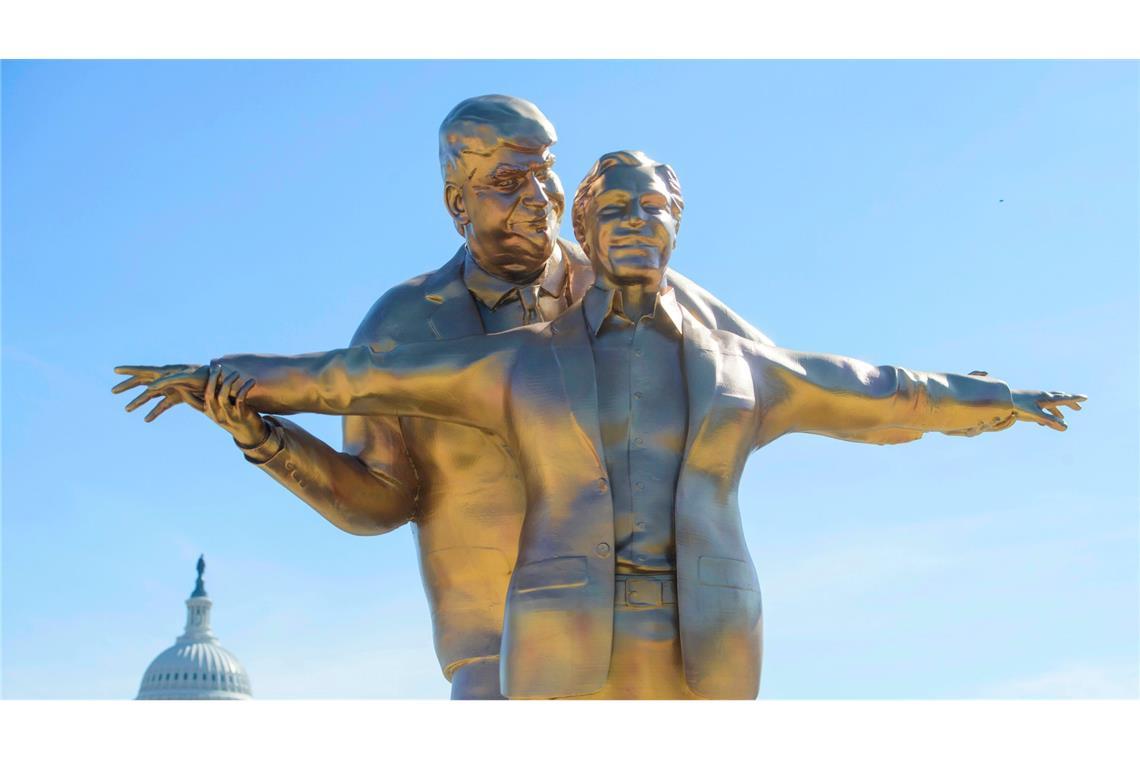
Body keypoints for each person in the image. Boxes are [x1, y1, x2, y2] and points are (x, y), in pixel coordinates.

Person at [122, 150, 1084, 699]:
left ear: (676, 225)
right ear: (586, 226)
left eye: (652, 208)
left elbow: (881, 390)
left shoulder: (742, 364)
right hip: (558, 628)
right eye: (611, 207)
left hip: (710, 625)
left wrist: (993, 401)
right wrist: (226, 381)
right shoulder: (521, 363)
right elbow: (350, 376)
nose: (634, 221)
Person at [113, 100, 771, 699]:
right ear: (459, 204)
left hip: (654, 648)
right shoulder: (403, 325)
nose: (539, 199)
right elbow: (378, 499)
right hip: (493, 661)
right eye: (509, 184)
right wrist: (265, 439)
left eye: (545, 173)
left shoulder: (635, 284)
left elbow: (760, 376)